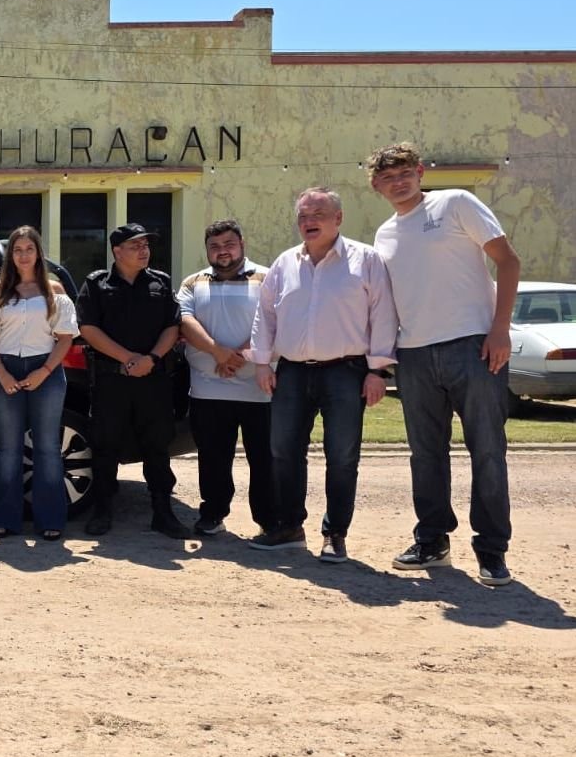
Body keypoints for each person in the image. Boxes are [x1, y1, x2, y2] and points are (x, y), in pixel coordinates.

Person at [368, 142, 522, 586]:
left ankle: (491, 549)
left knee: (487, 450)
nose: (398, 183)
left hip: (473, 346)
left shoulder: (456, 202)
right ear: (377, 186)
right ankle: (432, 540)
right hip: (414, 354)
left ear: (420, 172)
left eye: (404, 174)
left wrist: (499, 330)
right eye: (387, 178)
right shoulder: (384, 234)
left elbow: (508, 262)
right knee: (426, 454)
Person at [249, 188, 397, 562]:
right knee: (283, 451)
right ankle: (288, 527)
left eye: (318, 214)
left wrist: (378, 370)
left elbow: (383, 315)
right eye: (303, 216)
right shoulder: (284, 263)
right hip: (292, 372)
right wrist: (262, 362)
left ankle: (335, 533)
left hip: (346, 372)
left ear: (338, 218)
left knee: (342, 456)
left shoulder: (366, 260)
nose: (308, 222)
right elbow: (266, 314)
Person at [75, 224, 187, 539]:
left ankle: (163, 513)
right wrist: (128, 359)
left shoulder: (160, 282)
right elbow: (88, 329)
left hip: (153, 379)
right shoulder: (96, 284)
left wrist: (150, 359)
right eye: (135, 245)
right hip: (112, 380)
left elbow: (172, 326)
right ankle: (102, 511)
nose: (143, 250)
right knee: (105, 446)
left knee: (157, 446)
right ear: (117, 251)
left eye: (146, 245)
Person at [0, 226, 78, 540]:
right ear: (10, 255)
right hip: (5, 369)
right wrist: (1, 372)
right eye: (17, 250)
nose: (23, 255)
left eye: (29, 249)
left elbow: (65, 338)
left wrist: (44, 371)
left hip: (46, 371)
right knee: (9, 448)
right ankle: (7, 518)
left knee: (47, 448)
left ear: (38, 253)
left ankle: (50, 520)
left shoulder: (54, 290)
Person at [177, 219, 274, 538]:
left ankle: (269, 520)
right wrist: (217, 352)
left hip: (259, 388)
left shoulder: (267, 277)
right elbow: (185, 320)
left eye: (229, 244)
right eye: (214, 246)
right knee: (213, 458)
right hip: (208, 388)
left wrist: (240, 355)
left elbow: (274, 321)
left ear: (242, 244)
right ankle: (213, 514)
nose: (222, 251)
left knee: (264, 459)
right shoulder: (192, 282)